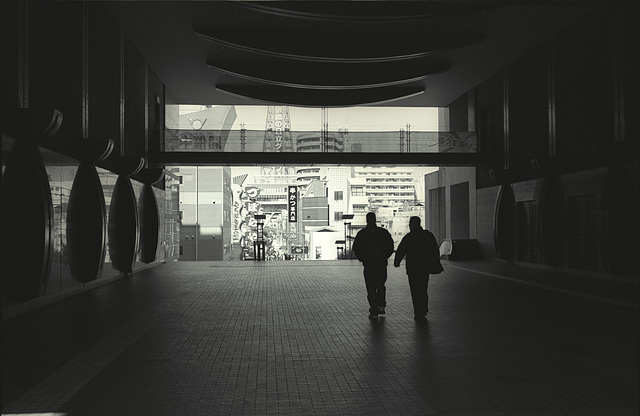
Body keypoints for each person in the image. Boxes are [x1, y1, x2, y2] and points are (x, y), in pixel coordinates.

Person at [394, 216, 443, 321]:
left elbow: (401, 249)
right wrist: (435, 263)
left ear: (411, 225)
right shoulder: (428, 235)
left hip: (412, 268)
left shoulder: (409, 237)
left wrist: (396, 262)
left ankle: (418, 312)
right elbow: (435, 250)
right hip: (425, 267)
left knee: (415, 290)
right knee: (423, 288)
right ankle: (424, 309)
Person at [352, 212, 395, 319]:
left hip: (369, 264)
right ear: (375, 220)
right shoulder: (383, 232)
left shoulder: (363, 233)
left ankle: (374, 310)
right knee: (381, 285)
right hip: (381, 264)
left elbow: (356, 248)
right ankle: (381, 305)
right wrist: (384, 256)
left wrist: (363, 258)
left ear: (367, 220)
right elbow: (390, 246)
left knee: (371, 288)